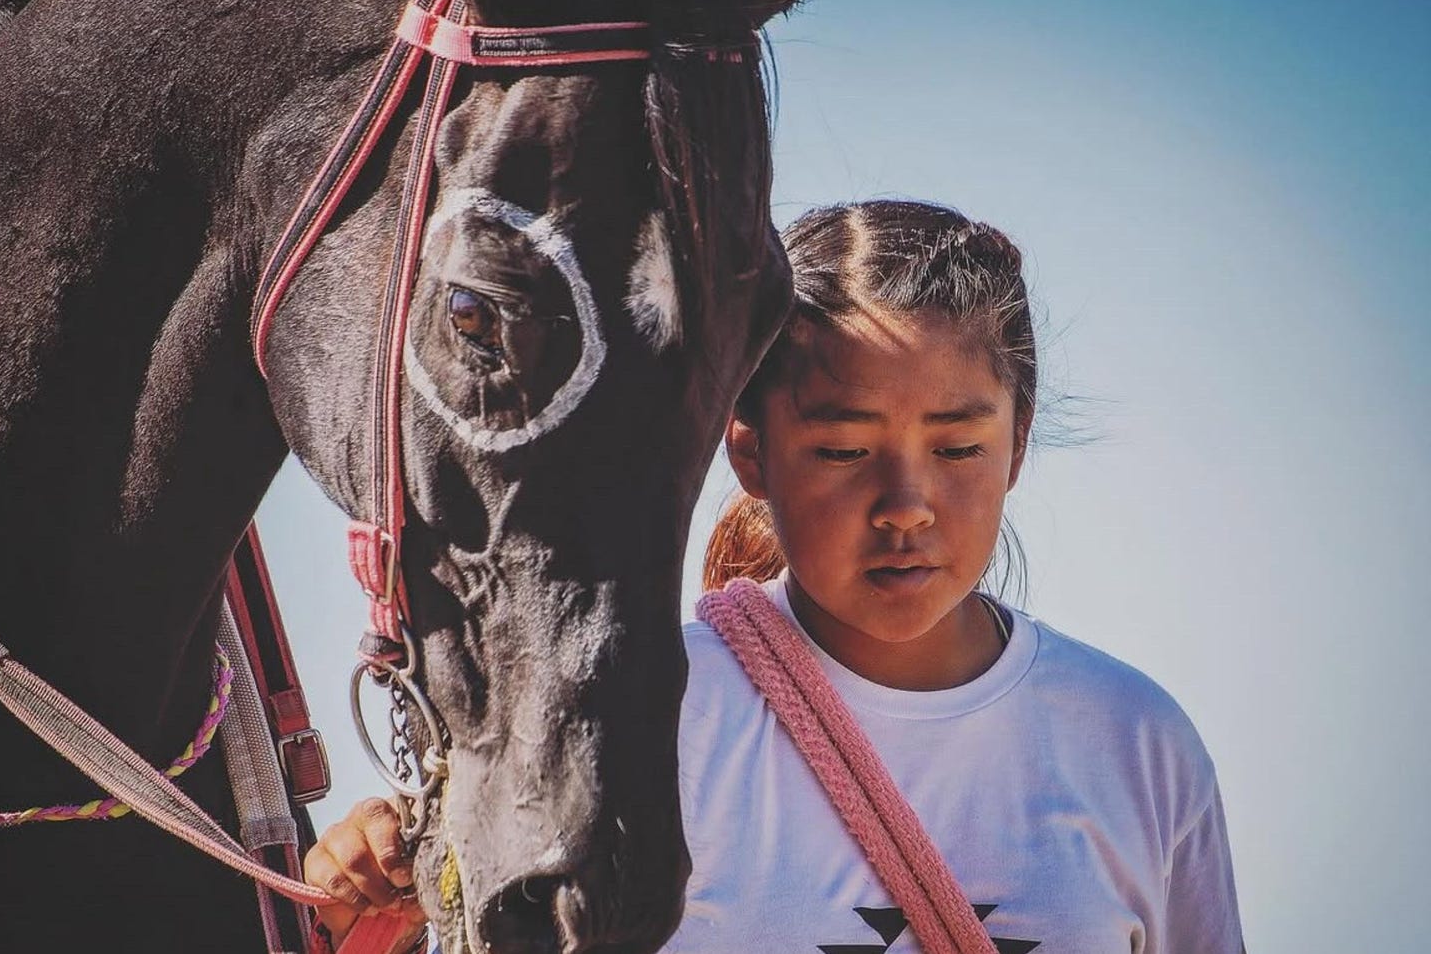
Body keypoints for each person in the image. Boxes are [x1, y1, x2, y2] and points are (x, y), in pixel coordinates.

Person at [307, 200, 1244, 953]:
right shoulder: (633, 724)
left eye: (959, 445)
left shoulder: (1136, 743)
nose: (907, 503)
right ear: (751, 453)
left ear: (1018, 447)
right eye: (842, 449)